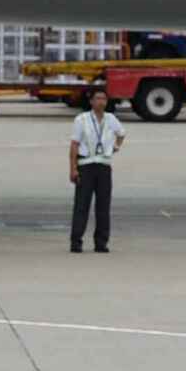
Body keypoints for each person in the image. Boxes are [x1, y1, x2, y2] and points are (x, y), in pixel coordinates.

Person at [67, 86, 122, 254]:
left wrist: (115, 147)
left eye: (103, 99)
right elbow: (74, 144)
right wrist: (73, 168)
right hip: (86, 165)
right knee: (82, 205)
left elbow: (121, 134)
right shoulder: (81, 119)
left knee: (103, 206)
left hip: (104, 165)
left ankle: (101, 242)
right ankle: (76, 241)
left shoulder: (111, 119)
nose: (101, 102)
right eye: (97, 98)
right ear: (91, 101)